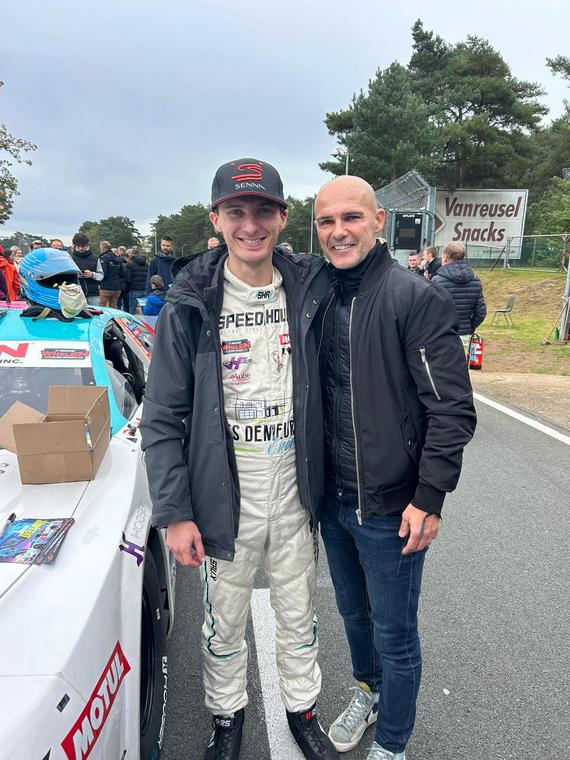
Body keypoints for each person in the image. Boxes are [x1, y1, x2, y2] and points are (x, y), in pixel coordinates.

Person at [140, 157, 335, 760]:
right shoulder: (190, 301)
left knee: (299, 611)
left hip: (295, 485)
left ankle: (303, 710)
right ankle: (228, 720)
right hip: (226, 488)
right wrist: (174, 512)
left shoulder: (312, 287)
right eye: (236, 211)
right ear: (216, 219)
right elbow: (161, 417)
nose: (250, 224)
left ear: (282, 217)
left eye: (263, 211)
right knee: (223, 622)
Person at [312, 176, 477, 760]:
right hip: (332, 502)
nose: (339, 232)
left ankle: (392, 744)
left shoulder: (414, 297)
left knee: (395, 634)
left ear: (379, 220)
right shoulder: (318, 295)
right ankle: (370, 691)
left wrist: (429, 496)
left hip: (391, 508)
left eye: (351, 218)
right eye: (327, 221)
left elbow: (452, 409)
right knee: (353, 618)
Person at [431, 241, 487, 352]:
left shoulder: (437, 281)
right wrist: (469, 328)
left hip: (442, 333)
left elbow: (431, 311)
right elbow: (481, 311)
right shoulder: (475, 280)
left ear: (445, 257)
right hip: (464, 333)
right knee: (461, 367)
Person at [69, 232, 103, 306]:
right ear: (74, 246)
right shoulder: (70, 259)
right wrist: (76, 276)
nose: (81, 248)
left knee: (95, 315)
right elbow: (66, 276)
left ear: (87, 245)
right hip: (75, 294)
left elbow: (101, 276)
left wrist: (92, 274)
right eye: (78, 246)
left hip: (93, 294)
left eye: (83, 246)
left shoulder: (95, 258)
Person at [98, 241, 123, 308]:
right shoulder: (117, 258)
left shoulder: (104, 258)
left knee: (101, 307)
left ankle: (102, 319)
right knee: (113, 307)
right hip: (117, 287)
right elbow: (122, 273)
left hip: (106, 287)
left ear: (103, 248)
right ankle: (113, 318)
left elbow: (103, 273)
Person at [125, 246, 149, 313]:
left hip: (134, 289)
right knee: (144, 310)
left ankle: (130, 323)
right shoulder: (146, 264)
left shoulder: (130, 263)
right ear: (139, 252)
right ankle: (145, 323)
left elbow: (128, 278)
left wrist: (128, 288)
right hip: (144, 289)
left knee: (132, 309)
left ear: (132, 253)